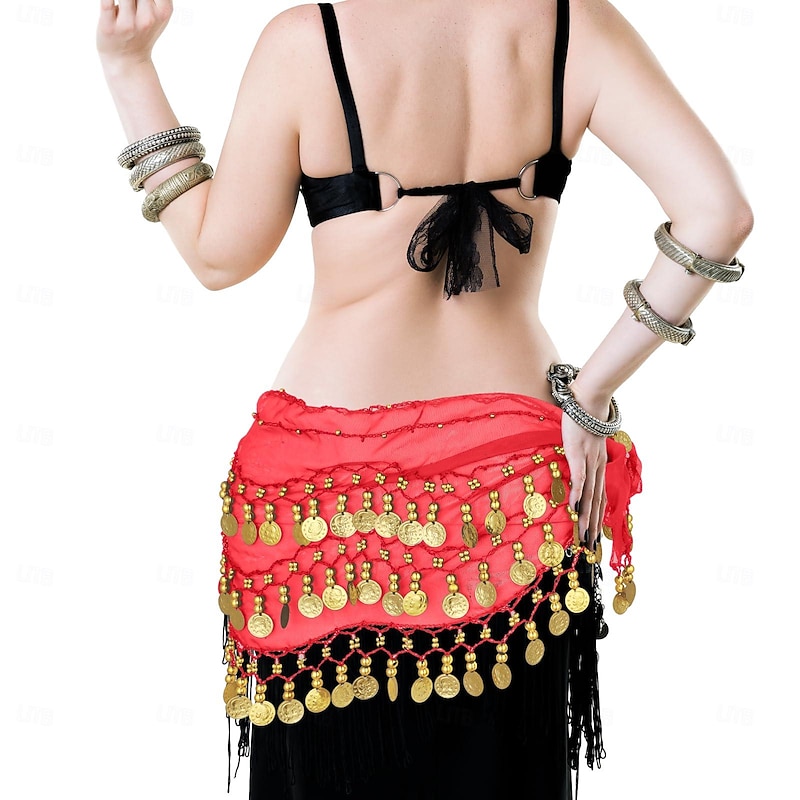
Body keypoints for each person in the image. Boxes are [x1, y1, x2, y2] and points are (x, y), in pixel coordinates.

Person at [96, 1, 753, 798]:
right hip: (514, 495)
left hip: (325, 512)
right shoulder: (574, 25)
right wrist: (591, 393)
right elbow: (719, 214)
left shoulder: (307, 41)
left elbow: (218, 255)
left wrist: (130, 66)